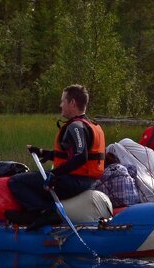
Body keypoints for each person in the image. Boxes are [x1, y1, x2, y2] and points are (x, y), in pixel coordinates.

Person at [7, 84, 105, 226]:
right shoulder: (90, 125)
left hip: (75, 182)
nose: (60, 105)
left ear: (72, 103)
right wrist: (43, 153)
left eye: (63, 101)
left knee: (16, 181)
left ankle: (42, 212)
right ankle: (43, 211)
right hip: (86, 181)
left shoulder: (76, 127)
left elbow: (80, 157)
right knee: (36, 178)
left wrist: (54, 174)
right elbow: (70, 155)